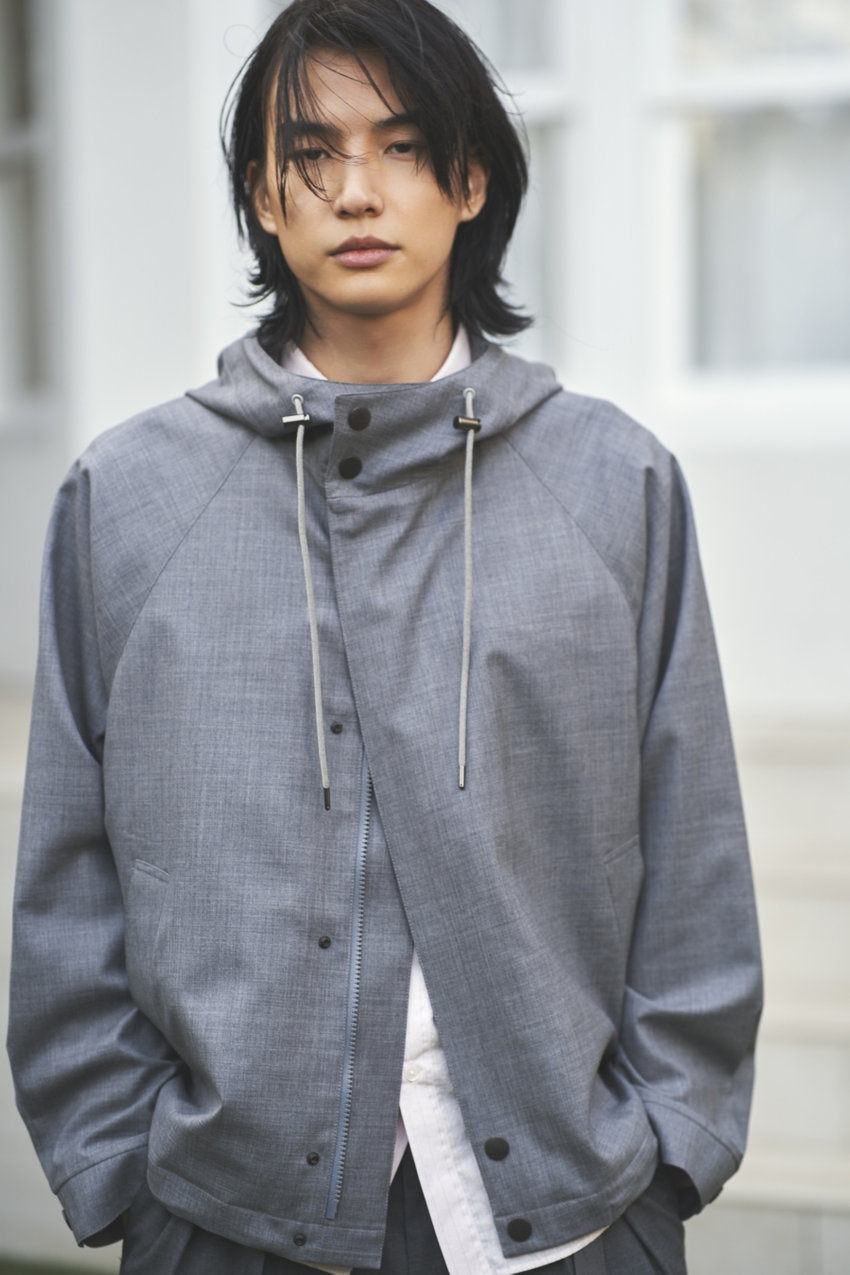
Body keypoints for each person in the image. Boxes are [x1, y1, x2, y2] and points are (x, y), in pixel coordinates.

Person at [7, 1, 762, 1272]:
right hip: (222, 1221)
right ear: (262, 196)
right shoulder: (128, 499)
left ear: (471, 181)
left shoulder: (613, 484)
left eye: (403, 147)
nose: (356, 191)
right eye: (312, 154)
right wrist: (123, 1168)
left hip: (574, 1218)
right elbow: (67, 878)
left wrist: (669, 1147)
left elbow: (693, 850)